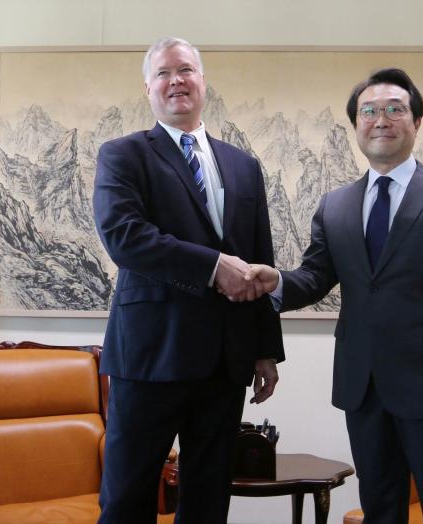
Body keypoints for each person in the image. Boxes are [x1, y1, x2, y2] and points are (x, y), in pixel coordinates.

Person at [247, 68, 423, 523]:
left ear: (416, 122)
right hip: (364, 389)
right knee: (381, 511)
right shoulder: (336, 204)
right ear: (356, 125)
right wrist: (277, 283)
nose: (380, 119)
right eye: (368, 111)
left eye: (394, 109)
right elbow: (315, 278)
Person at [92, 37, 284, 524]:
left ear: (202, 81)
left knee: (207, 501)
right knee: (127, 498)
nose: (176, 80)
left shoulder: (244, 165)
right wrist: (213, 265)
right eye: (163, 73)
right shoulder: (122, 155)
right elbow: (126, 237)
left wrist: (264, 349)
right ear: (148, 89)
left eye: (185, 70)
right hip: (149, 357)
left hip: (226, 361)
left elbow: (260, 257)